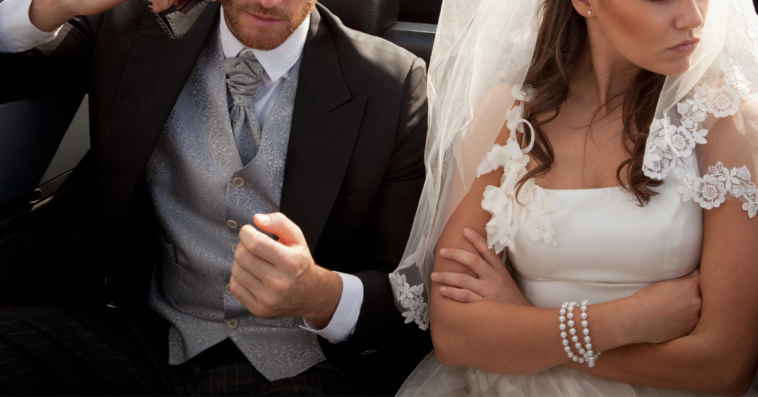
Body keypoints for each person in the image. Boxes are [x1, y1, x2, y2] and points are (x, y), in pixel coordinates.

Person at [0, 0, 431, 395]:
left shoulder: (391, 82)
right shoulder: (134, 26)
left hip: (300, 367)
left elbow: (408, 296)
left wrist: (321, 294)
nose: (269, 1)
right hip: (149, 337)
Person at [390, 0, 758, 395]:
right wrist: (620, 321)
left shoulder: (723, 121)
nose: (694, 17)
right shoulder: (511, 115)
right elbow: (453, 334)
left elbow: (724, 367)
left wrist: (527, 327)